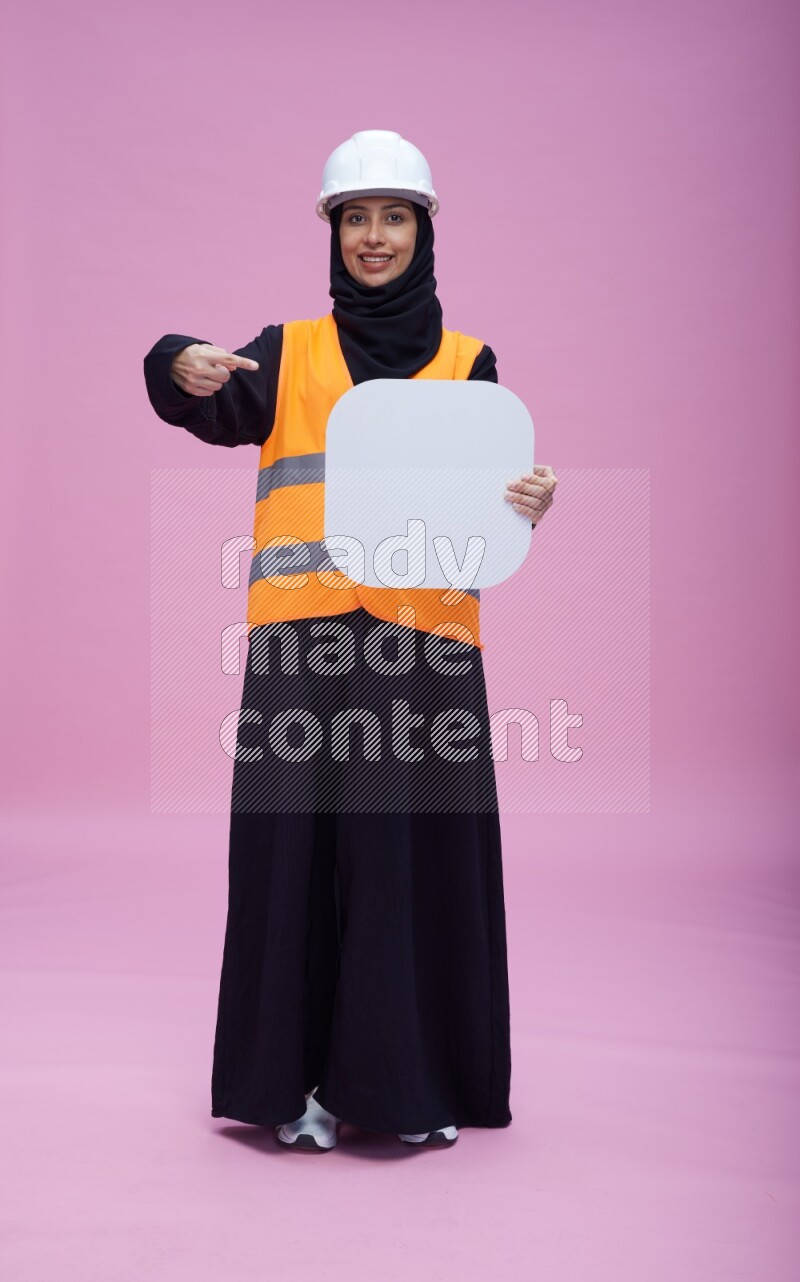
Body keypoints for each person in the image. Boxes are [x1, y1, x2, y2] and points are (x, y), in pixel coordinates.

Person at [143, 130, 558, 1153]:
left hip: (425, 650)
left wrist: (526, 503)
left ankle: (407, 1085)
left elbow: (483, 504)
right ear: (333, 232)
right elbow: (202, 398)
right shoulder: (287, 351)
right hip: (305, 650)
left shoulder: (471, 364)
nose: (374, 237)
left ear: (424, 231)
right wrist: (173, 362)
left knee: (408, 859)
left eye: (394, 217)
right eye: (355, 218)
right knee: (293, 857)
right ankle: (288, 1085)